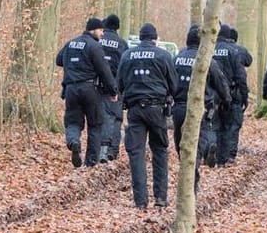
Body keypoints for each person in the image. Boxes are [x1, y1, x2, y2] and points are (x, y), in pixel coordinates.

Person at [117, 23, 179, 208]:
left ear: (140, 37)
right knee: (159, 151)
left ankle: (140, 201)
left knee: (136, 154)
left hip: (135, 110)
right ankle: (160, 197)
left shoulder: (127, 55)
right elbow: (174, 84)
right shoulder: (163, 55)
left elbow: (119, 83)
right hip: (157, 110)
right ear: (155, 38)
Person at [172, 24, 231, 187]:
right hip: (201, 107)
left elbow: (168, 81)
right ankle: (199, 163)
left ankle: (187, 168)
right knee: (200, 139)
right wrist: (227, 100)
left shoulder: (176, 58)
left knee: (180, 142)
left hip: (179, 107)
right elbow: (220, 83)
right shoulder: (207, 60)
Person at [57, 17, 117, 168]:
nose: (103, 34)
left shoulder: (71, 43)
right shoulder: (94, 46)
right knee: (95, 124)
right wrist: (112, 90)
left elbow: (59, 59)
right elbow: (104, 70)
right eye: (101, 30)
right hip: (90, 89)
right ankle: (90, 162)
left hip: (71, 89)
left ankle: (73, 141)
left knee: (72, 121)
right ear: (94, 30)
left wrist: (73, 65)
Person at [216, 24, 251, 164]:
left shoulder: (207, 50)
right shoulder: (236, 51)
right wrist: (245, 96)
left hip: (211, 95)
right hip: (232, 94)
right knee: (232, 125)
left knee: (215, 124)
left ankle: (215, 152)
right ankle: (229, 154)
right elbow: (241, 76)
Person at [96, 13, 127, 163]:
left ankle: (99, 148)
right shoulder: (122, 44)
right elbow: (126, 66)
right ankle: (111, 150)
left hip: (96, 83)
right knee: (116, 117)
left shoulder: (97, 41)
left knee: (101, 116)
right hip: (115, 84)